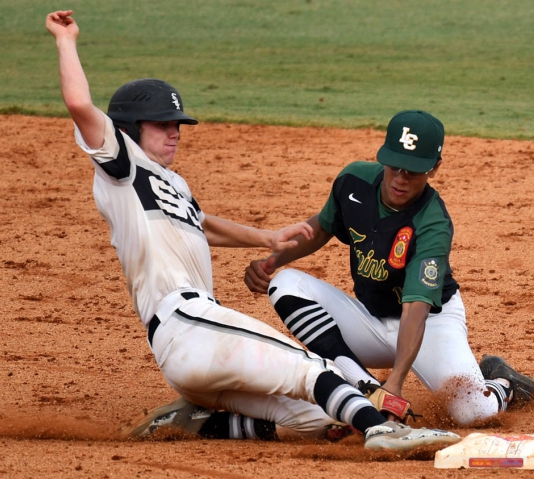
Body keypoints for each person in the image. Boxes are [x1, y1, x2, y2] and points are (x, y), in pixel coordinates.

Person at [45, 10, 461, 451]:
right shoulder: (121, 168)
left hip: (197, 353)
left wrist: (265, 238)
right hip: (188, 323)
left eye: (177, 125)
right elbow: (78, 105)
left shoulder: (169, 183)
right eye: (162, 125)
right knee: (312, 368)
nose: (174, 134)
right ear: (128, 130)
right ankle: (382, 427)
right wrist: (66, 39)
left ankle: (192, 424)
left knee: (316, 420)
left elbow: (200, 226)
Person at [243, 109, 534, 426]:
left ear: (434, 169)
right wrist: (271, 261)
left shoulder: (432, 224)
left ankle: (502, 383)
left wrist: (396, 381)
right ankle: (363, 385)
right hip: (370, 320)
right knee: (286, 283)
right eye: (395, 166)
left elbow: (415, 309)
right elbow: (322, 227)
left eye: (413, 171)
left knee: (473, 413)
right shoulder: (353, 181)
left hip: (429, 324)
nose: (401, 178)